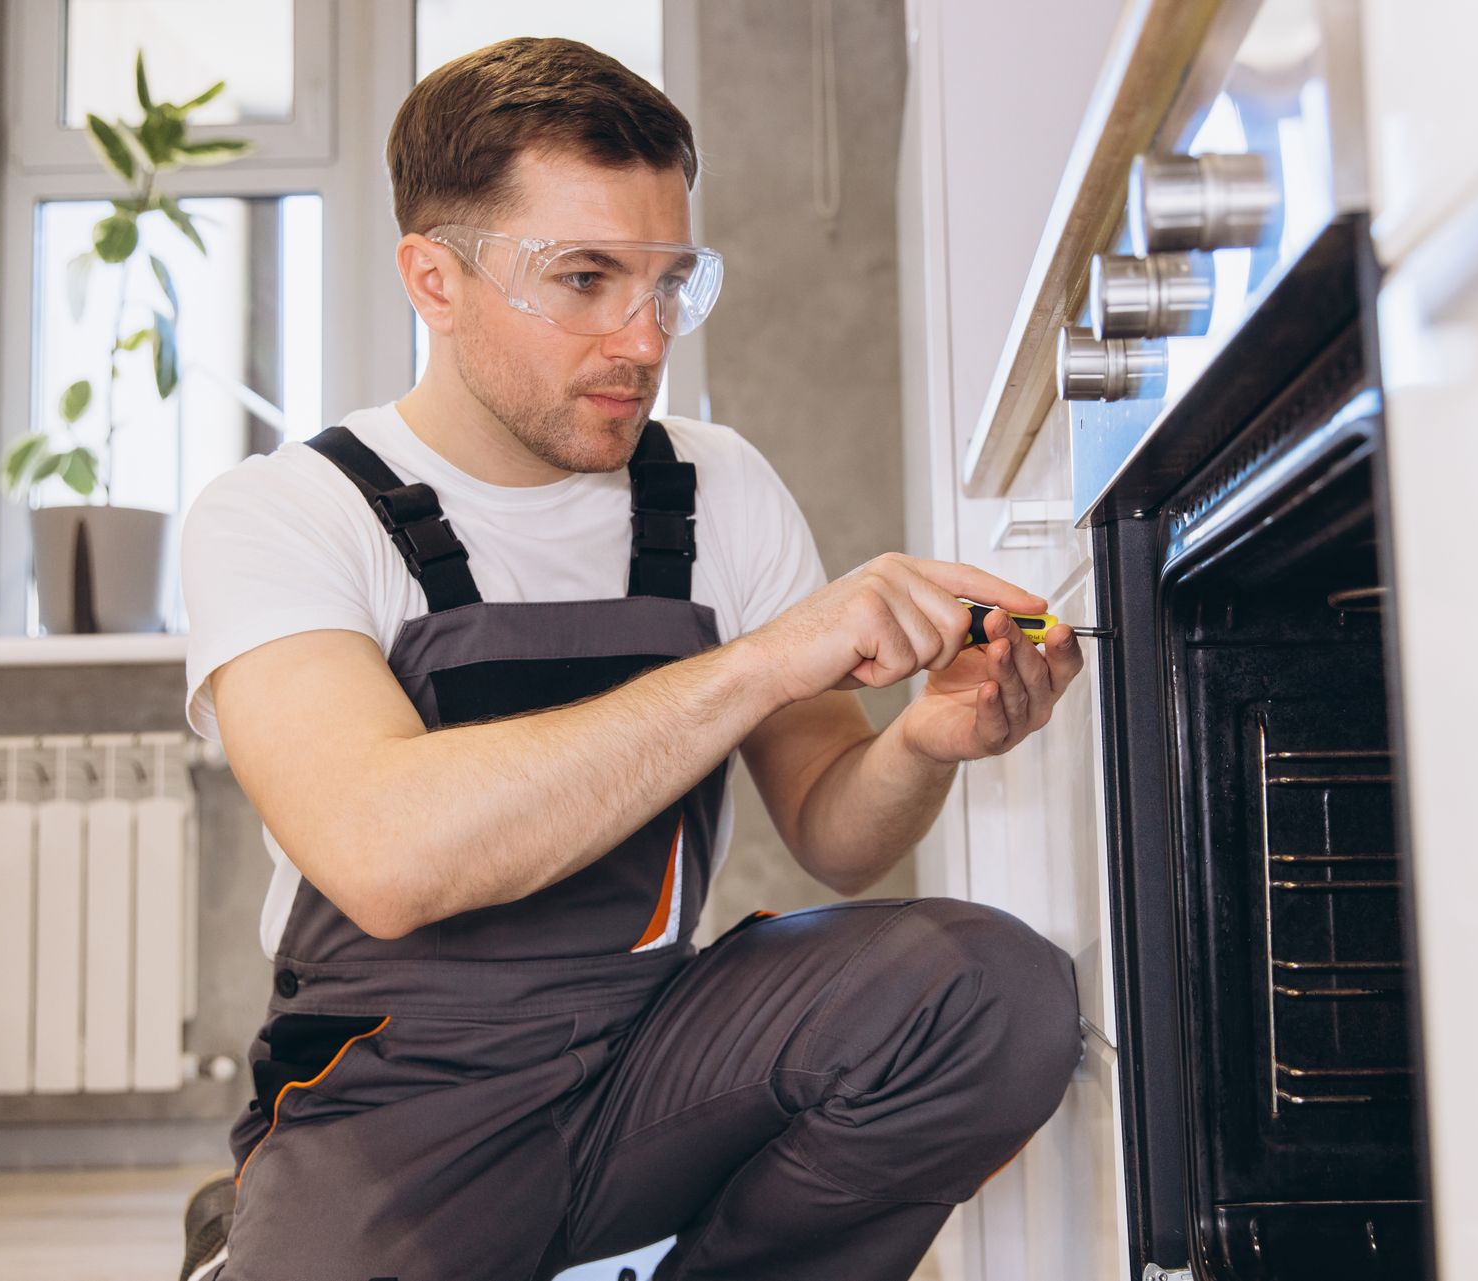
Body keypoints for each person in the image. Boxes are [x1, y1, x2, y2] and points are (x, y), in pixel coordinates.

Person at [176, 35, 1085, 1281]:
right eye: (587, 279)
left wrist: (924, 744)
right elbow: (386, 857)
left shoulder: (720, 485)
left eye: (668, 283)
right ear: (433, 280)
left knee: (990, 991)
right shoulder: (286, 514)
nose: (645, 340)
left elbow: (834, 829)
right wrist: (765, 660)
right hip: (393, 1099)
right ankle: (245, 1236)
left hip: (654, 1054)